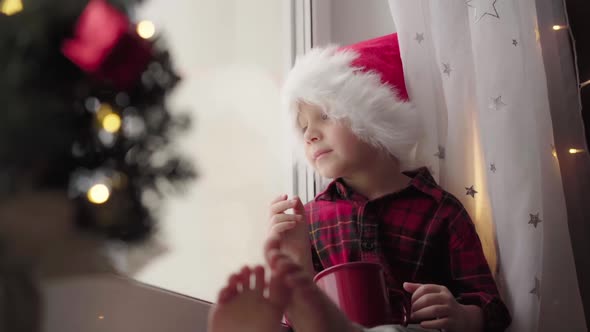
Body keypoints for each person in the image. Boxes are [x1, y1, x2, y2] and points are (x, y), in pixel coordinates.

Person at [267, 33, 511, 332]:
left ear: (376, 116)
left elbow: (492, 306)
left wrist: (462, 315)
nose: (309, 134)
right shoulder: (311, 219)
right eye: (303, 126)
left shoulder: (441, 211)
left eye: (326, 116)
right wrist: (296, 262)